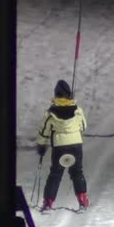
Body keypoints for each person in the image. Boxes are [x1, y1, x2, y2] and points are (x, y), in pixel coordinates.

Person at [36, 80, 89, 211]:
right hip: (76, 145)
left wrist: (41, 145)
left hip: (60, 147)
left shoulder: (50, 112)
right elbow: (83, 126)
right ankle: (82, 199)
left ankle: (48, 202)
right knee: (77, 172)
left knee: (55, 173)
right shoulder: (78, 110)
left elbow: (44, 131)